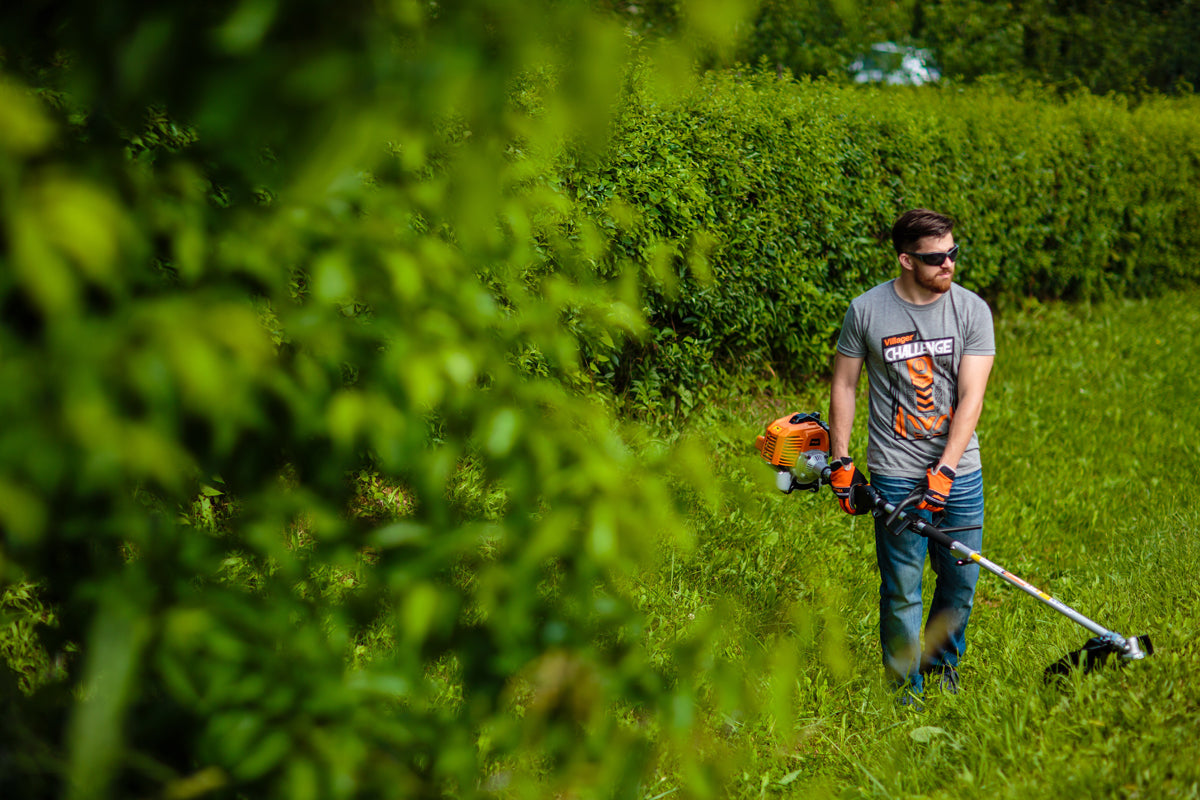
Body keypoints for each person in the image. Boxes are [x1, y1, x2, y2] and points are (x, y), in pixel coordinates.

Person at [826, 208, 995, 702]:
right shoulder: (867, 311)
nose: (948, 265)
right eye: (935, 258)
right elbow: (845, 383)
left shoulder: (971, 311)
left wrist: (944, 470)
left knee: (960, 581)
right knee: (902, 588)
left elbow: (972, 399)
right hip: (895, 472)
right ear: (905, 259)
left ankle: (943, 669)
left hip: (959, 472)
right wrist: (841, 460)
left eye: (953, 253)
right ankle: (903, 693)